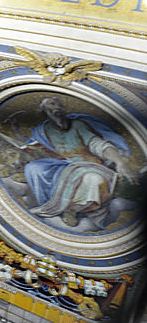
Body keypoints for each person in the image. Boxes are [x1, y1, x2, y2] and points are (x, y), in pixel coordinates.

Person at [19, 96, 136, 228]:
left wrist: (119, 161)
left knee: (94, 179)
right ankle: (48, 203)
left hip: (87, 164)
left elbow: (97, 144)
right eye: (51, 105)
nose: (56, 107)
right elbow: (36, 148)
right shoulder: (42, 131)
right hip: (60, 165)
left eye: (58, 104)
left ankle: (72, 209)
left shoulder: (77, 125)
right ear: (44, 112)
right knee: (33, 168)